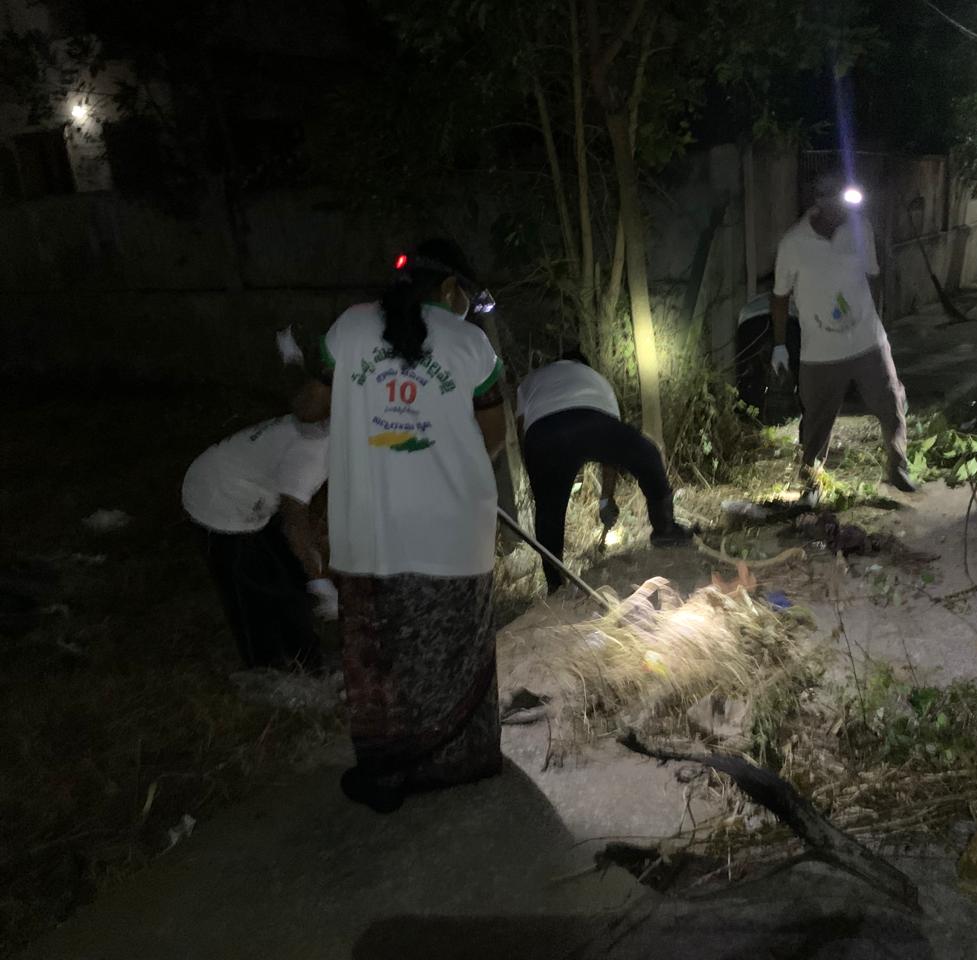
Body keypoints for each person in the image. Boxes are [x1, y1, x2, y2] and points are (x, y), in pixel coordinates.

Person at [318, 238, 507, 813]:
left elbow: (311, 404)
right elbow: (494, 433)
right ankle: (463, 760)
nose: (469, 309)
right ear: (450, 289)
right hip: (453, 530)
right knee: (455, 650)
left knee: (383, 654)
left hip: (369, 528)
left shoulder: (348, 329)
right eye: (467, 297)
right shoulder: (470, 343)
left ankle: (388, 769)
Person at [770, 174, 916, 496]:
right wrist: (779, 345)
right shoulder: (793, 243)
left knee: (891, 402)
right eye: (836, 202)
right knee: (816, 422)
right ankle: (812, 483)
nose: (843, 210)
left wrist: (876, 319)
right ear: (820, 202)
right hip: (820, 353)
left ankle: (898, 467)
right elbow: (779, 297)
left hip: (868, 342)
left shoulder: (860, 228)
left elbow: (873, 276)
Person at [182, 378, 335, 670]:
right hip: (219, 497)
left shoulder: (323, 429)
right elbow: (294, 525)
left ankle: (305, 656)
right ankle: (267, 669)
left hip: (244, 483)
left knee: (289, 578)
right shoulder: (311, 456)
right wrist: (321, 582)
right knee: (251, 588)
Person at [516, 351, 692, 592]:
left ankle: (555, 583)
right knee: (648, 454)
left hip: (544, 433)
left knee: (549, 511)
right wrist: (606, 498)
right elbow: (612, 455)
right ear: (583, 365)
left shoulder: (533, 379)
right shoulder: (597, 379)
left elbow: (521, 427)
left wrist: (535, 470)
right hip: (593, 422)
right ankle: (666, 529)